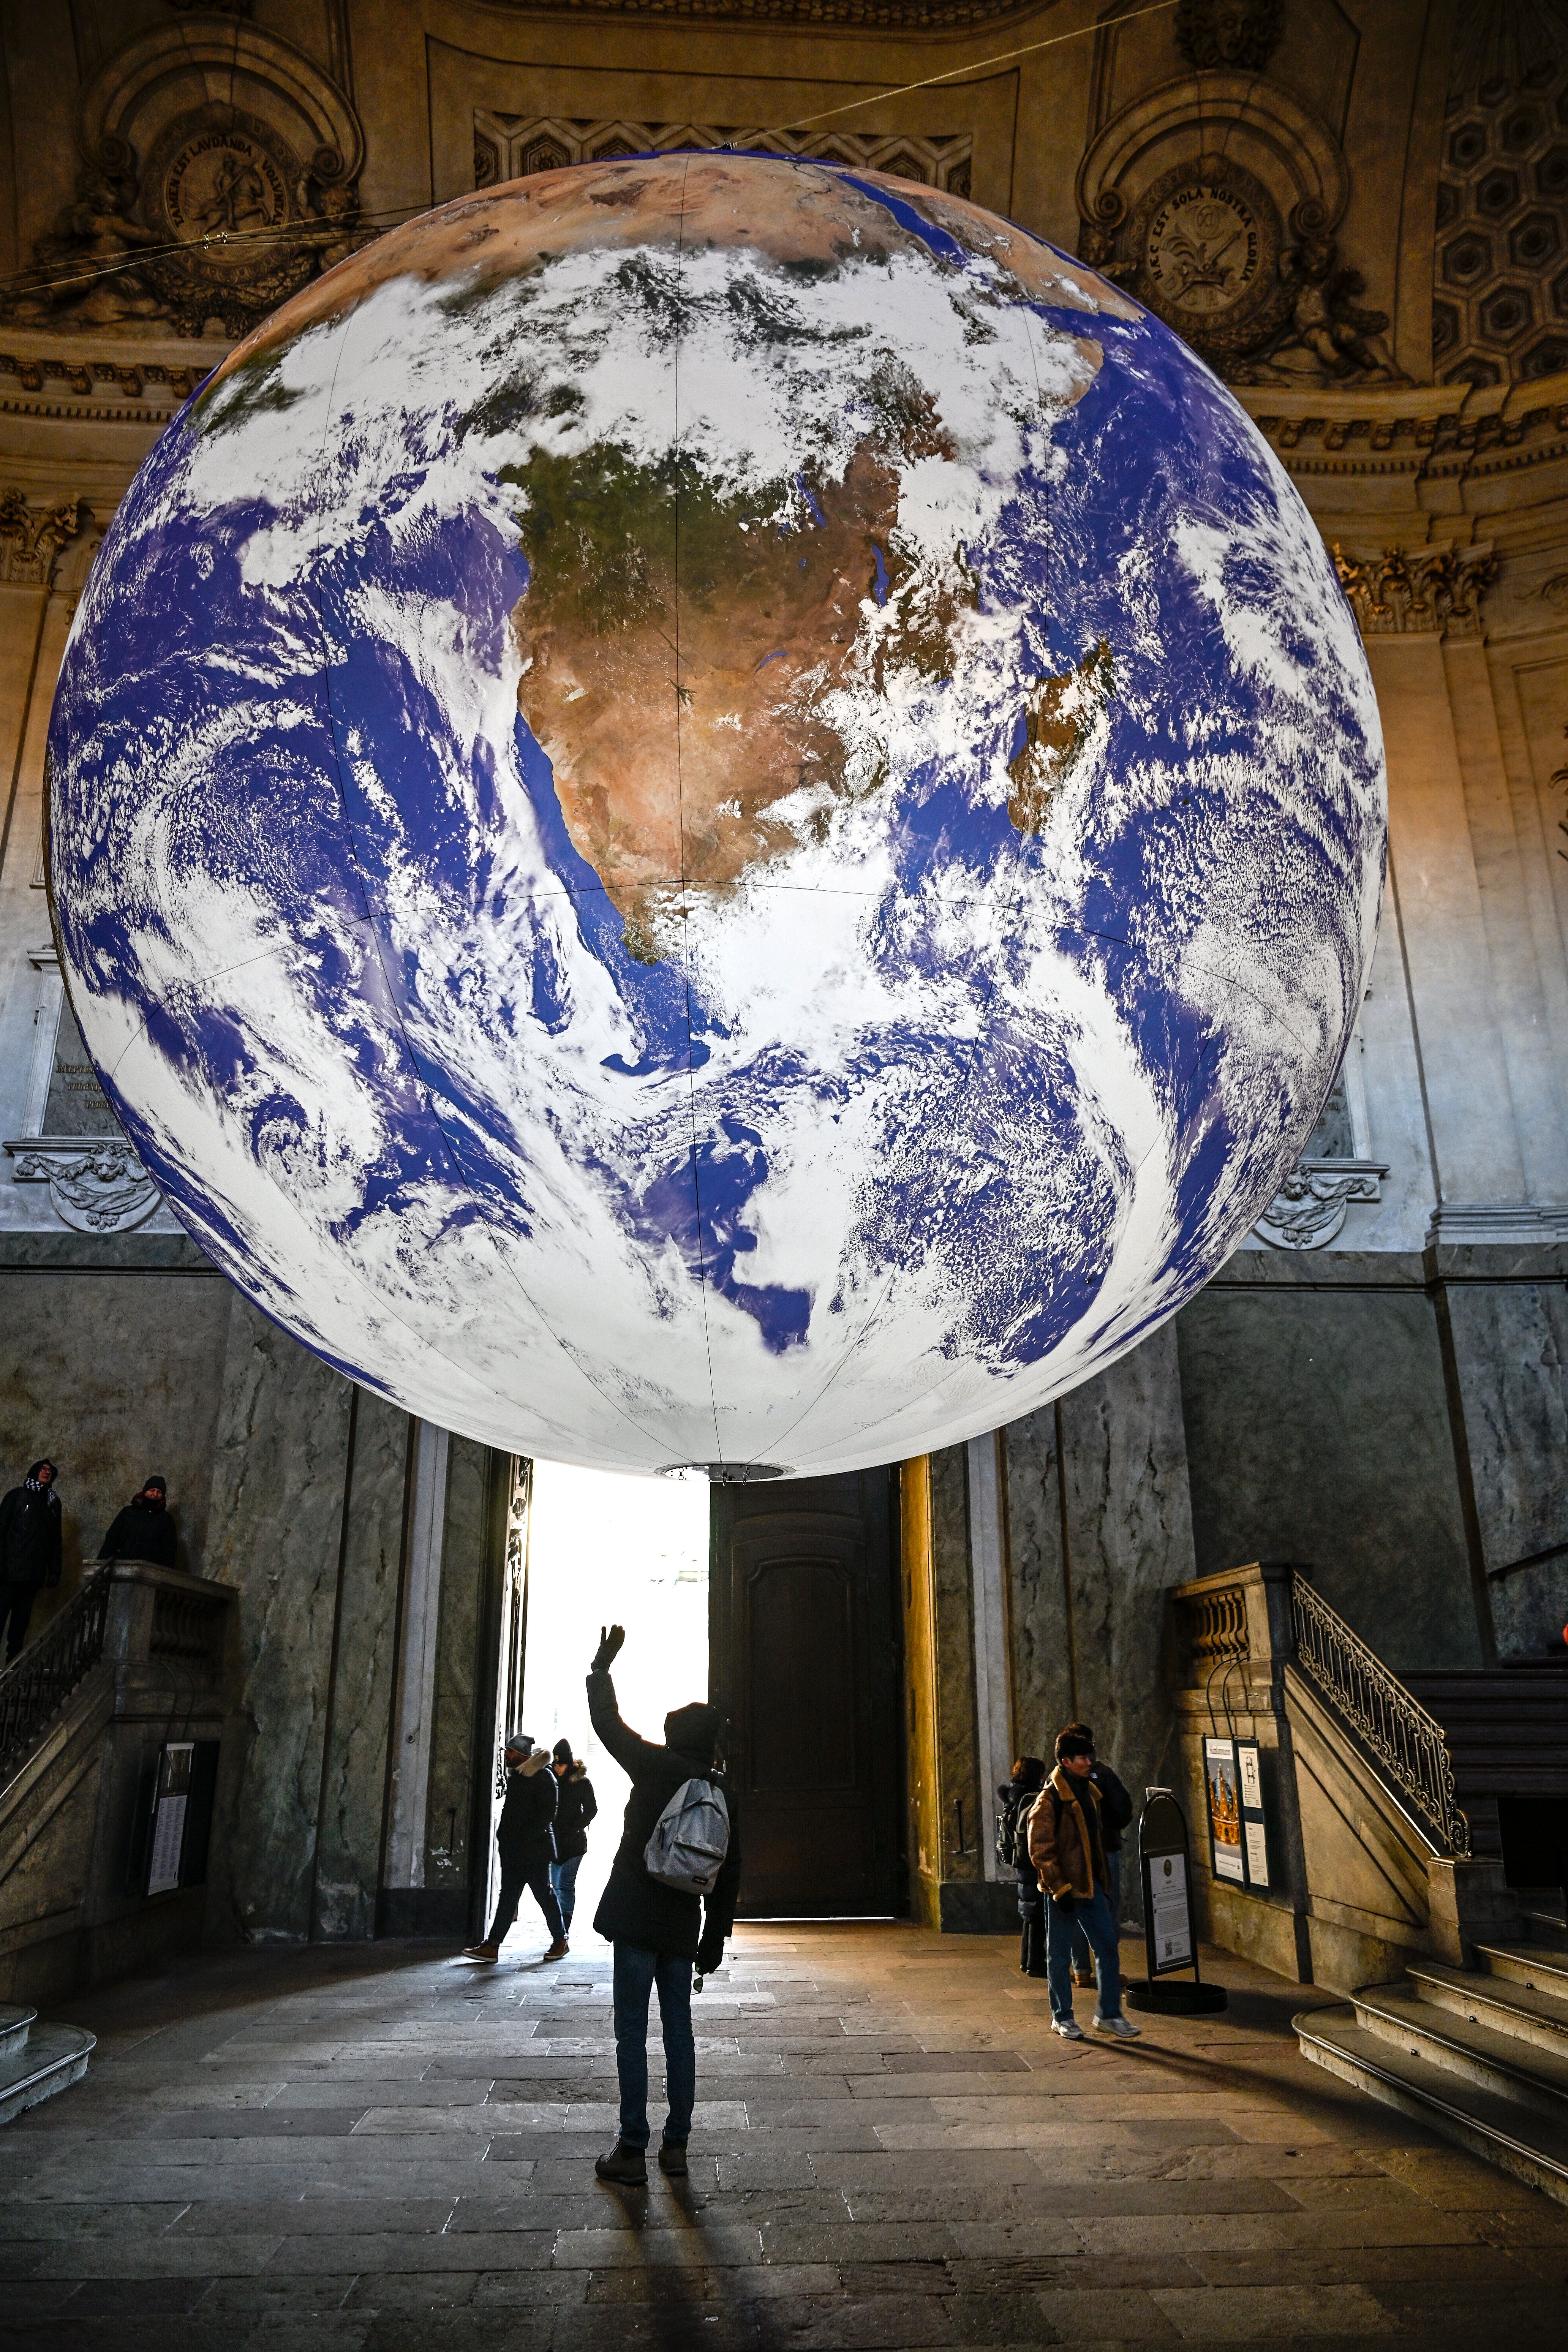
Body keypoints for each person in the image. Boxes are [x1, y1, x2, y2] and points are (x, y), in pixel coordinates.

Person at [586, 1623, 741, 2186]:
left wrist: (603, 1670)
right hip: (681, 1924)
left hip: (635, 1917)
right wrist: (714, 1939)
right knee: (680, 2032)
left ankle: (631, 2148)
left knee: (632, 2031)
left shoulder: (654, 1765)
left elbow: (608, 1726)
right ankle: (676, 2147)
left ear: (677, 1736)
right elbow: (731, 1871)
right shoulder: (721, 1790)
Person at [1027, 1724, 1140, 2041]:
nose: (1089, 1762)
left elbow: (1097, 1840)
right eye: (1082, 1757)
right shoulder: (1049, 1799)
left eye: (1089, 1755)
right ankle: (1062, 2017)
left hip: (1091, 1887)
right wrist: (1059, 1888)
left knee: (1107, 1948)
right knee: (1060, 1957)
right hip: (1064, 1891)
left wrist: (1103, 1881)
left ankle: (1109, 2015)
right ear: (1065, 1761)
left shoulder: (1090, 1793)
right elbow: (1040, 1850)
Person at [461, 1732, 568, 1963]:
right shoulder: (519, 1777)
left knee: (544, 1895)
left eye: (509, 1752)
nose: (506, 1755)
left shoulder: (543, 1777)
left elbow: (547, 1815)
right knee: (508, 1896)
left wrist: (523, 1839)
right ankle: (492, 1946)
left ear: (520, 1755)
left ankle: (561, 1940)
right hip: (515, 1851)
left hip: (534, 1851)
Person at [1064, 1723, 1134, 1989]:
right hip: (1104, 1852)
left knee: (1078, 1911)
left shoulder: (1058, 1778)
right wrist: (1109, 1828)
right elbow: (1123, 1807)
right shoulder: (1103, 1774)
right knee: (1106, 1910)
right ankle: (1108, 1972)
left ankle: (1081, 1970)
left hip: (1073, 1855)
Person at [0, 1459, 62, 1663]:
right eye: (43, 1469)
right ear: (34, 1472)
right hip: (9, 1571)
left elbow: (55, 1539)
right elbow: (2, 1530)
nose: (47, 1472)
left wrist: (55, 1570)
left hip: (33, 1573)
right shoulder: (17, 1496)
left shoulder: (52, 1502)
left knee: (20, 1623)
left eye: (50, 1471)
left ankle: (12, 1666)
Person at [997, 1754, 1048, 1977]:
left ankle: (1026, 1961)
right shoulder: (1031, 1797)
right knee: (1036, 1913)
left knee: (1029, 1913)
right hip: (1031, 1859)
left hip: (1019, 1859)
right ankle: (1036, 1964)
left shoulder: (1011, 1795)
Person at [550, 1737, 597, 1938]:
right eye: (555, 1763)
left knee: (566, 1885)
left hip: (574, 1844)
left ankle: (564, 1927)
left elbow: (592, 1809)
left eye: (560, 1764)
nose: (557, 1767)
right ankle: (559, 1926)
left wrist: (576, 1827)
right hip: (553, 1843)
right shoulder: (550, 1779)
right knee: (555, 1887)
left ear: (568, 1764)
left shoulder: (581, 1782)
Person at [97, 1475, 178, 1568]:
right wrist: (99, 1566)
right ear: (145, 1492)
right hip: (121, 1569)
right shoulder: (128, 1512)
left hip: (151, 1573)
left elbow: (170, 1550)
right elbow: (112, 1539)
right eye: (152, 1490)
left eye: (159, 1492)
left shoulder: (166, 1519)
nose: (155, 1494)